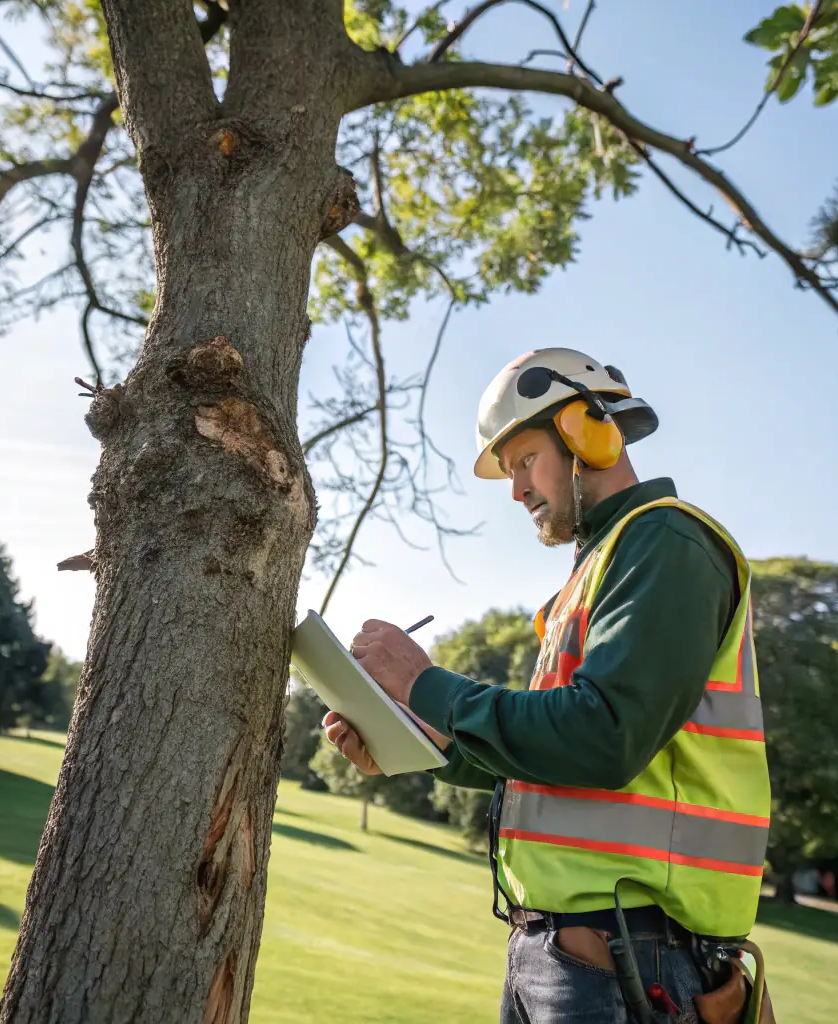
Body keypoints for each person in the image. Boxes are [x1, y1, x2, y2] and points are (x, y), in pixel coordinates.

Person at [324, 348, 771, 1023]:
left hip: (635, 952)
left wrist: (423, 684)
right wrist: (417, 744)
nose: (515, 490)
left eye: (524, 462)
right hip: (577, 952)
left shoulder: (664, 543)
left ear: (587, 433)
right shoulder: (596, 574)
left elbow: (601, 739)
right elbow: (551, 763)